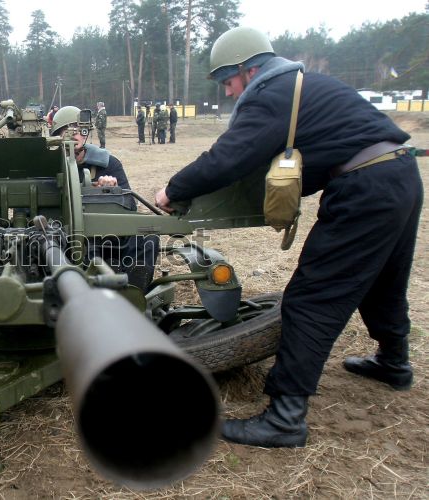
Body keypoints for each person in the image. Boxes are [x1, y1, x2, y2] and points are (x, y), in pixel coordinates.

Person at [154, 27, 420, 448]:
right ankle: (394, 362)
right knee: (384, 279)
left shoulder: (271, 93)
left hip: (365, 187)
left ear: (248, 68)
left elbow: (229, 157)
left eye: (226, 80)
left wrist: (173, 190)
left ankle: (284, 418)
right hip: (399, 175)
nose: (227, 91)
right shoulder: (303, 85)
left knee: (312, 298)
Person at [51, 106, 159, 289]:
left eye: (79, 129)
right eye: (67, 130)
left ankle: (134, 288)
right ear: (57, 135)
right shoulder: (48, 167)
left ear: (86, 133)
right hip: (67, 236)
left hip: (107, 234)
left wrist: (113, 191)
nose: (74, 135)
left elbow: (130, 206)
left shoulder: (108, 163)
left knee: (148, 236)